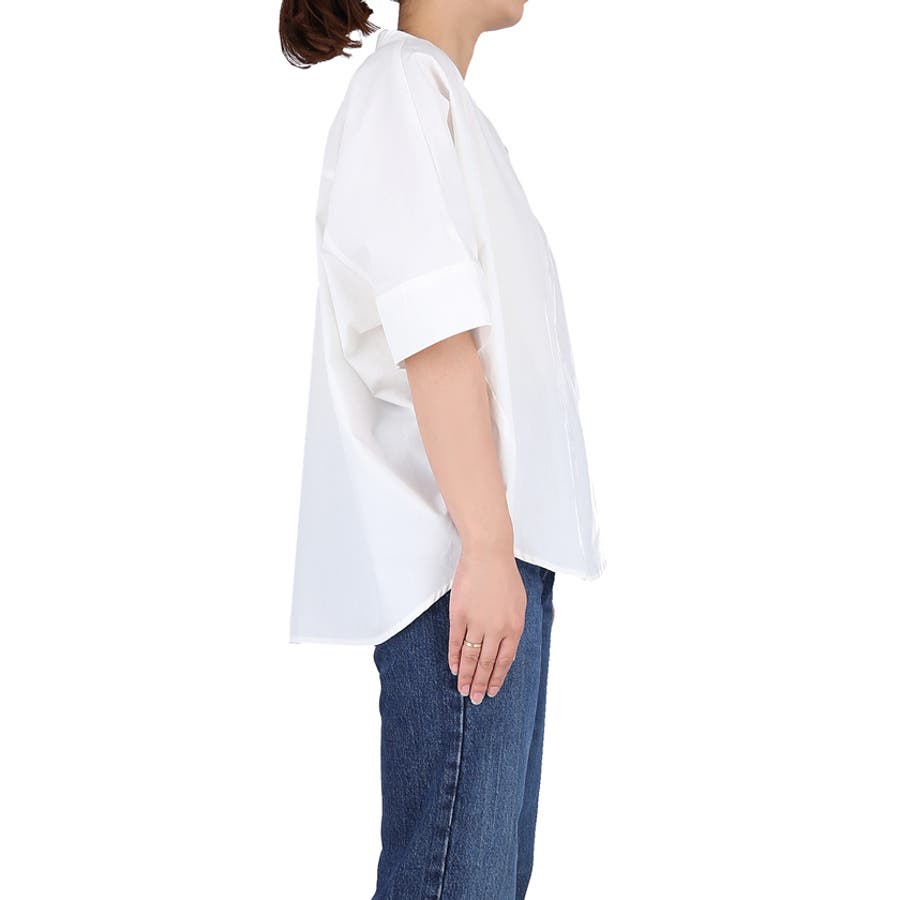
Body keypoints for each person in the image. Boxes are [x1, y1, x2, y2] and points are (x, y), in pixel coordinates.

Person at [280, 1, 607, 896]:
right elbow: (433, 334)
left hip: (488, 563)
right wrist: (489, 545)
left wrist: (503, 550)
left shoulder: (438, 102)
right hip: (458, 570)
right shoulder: (401, 89)